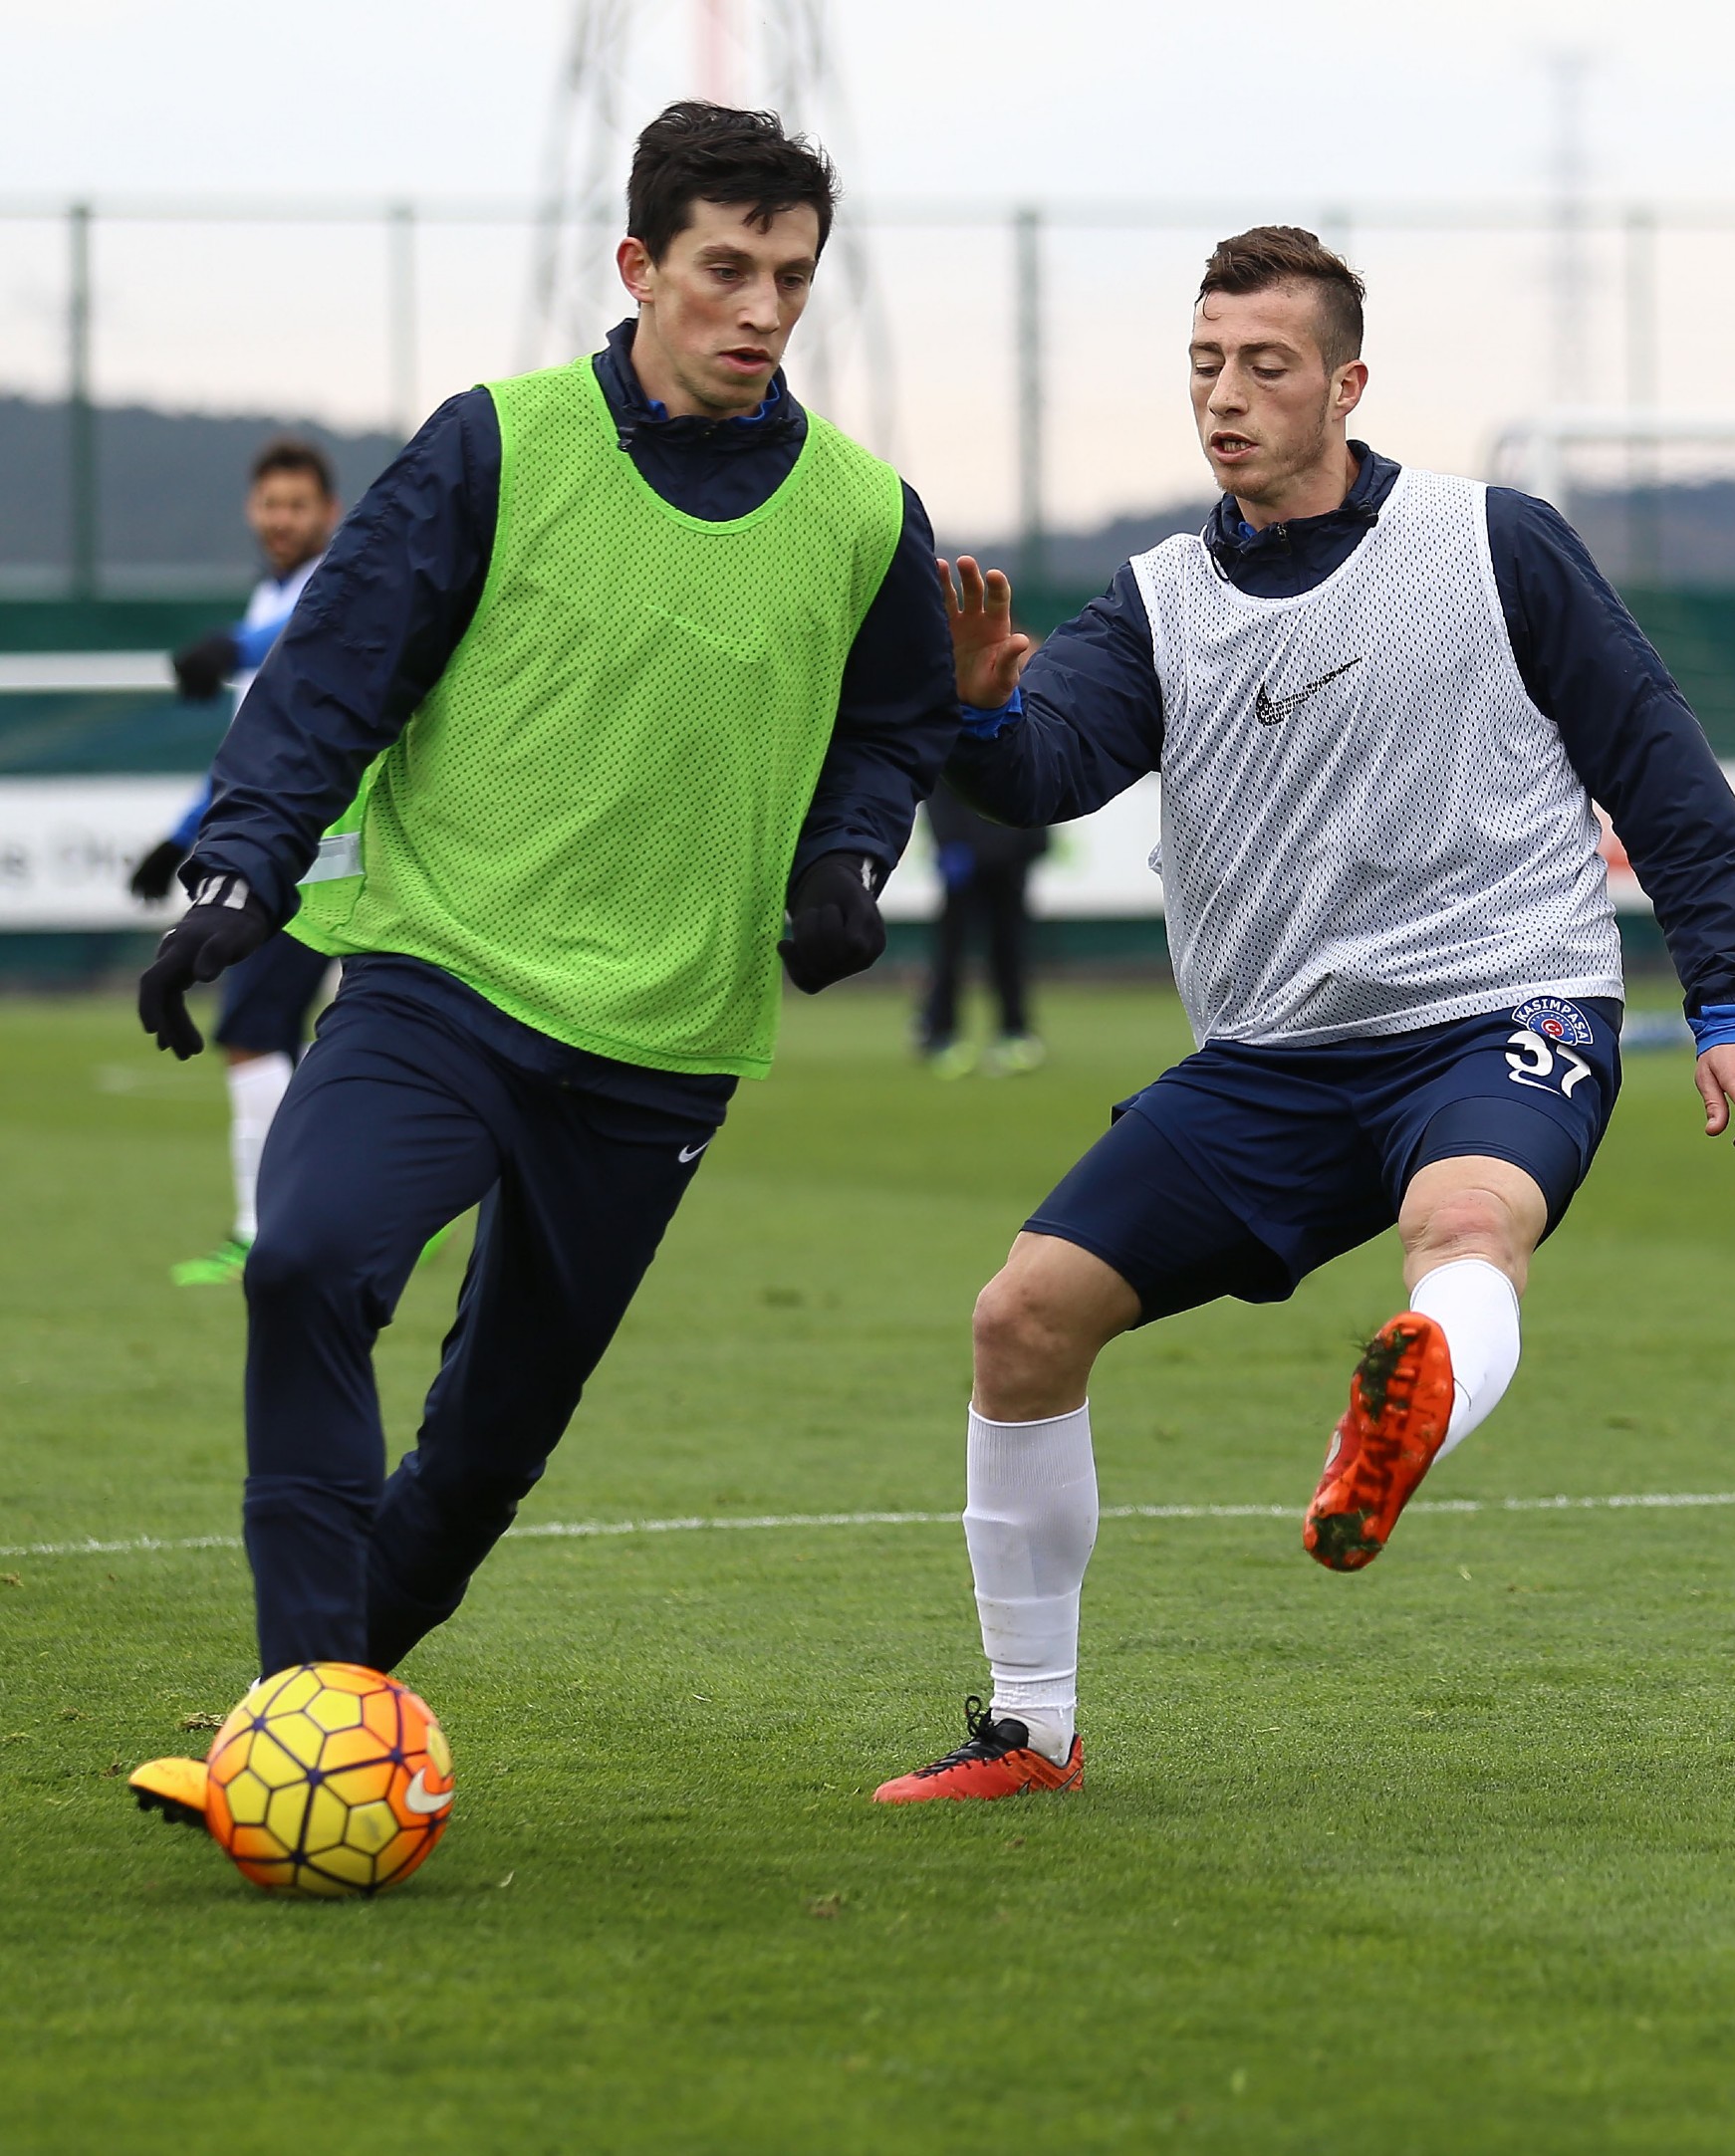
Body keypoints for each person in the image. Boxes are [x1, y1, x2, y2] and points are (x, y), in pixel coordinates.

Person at [872, 225, 1735, 1804]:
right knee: (1021, 1318)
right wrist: (977, 711)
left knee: (1467, 1223)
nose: (1225, 396)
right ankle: (1031, 1732)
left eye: (1266, 365)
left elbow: (1659, 768)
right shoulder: (1159, 601)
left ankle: (1406, 1402)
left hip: (1500, 1004)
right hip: (1274, 1059)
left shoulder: (1495, 543)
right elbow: (1045, 770)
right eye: (1205, 365)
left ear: (1348, 385)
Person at [127, 102, 956, 1832]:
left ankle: (305, 1731)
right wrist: (241, 867)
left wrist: (845, 864)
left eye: (792, 277)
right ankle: (300, 1732)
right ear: (640, 265)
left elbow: (893, 727)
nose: (762, 309)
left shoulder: (865, 514)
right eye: (726, 269)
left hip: (664, 1046)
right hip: (439, 982)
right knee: (306, 1263)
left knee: (489, 1445)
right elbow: (337, 671)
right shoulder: (495, 446)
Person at [127, 438, 342, 1287]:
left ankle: (268, 1228)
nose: (282, 518)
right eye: (270, 504)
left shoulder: (336, 581)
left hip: (313, 854)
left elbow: (301, 631)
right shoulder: (273, 590)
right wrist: (184, 833)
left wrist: (228, 643)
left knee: (254, 1034)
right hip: (303, 844)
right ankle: (365, 1213)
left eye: (297, 504)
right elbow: (253, 748)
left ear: (328, 513)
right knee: (327, 1038)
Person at [916, 780, 1047, 1076]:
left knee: (1009, 951)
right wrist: (949, 843)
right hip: (966, 862)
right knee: (951, 951)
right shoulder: (953, 752)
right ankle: (939, 1032)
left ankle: (1015, 1031)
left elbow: (1036, 791)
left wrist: (1032, 847)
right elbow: (941, 795)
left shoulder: (1023, 748)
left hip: (1008, 864)